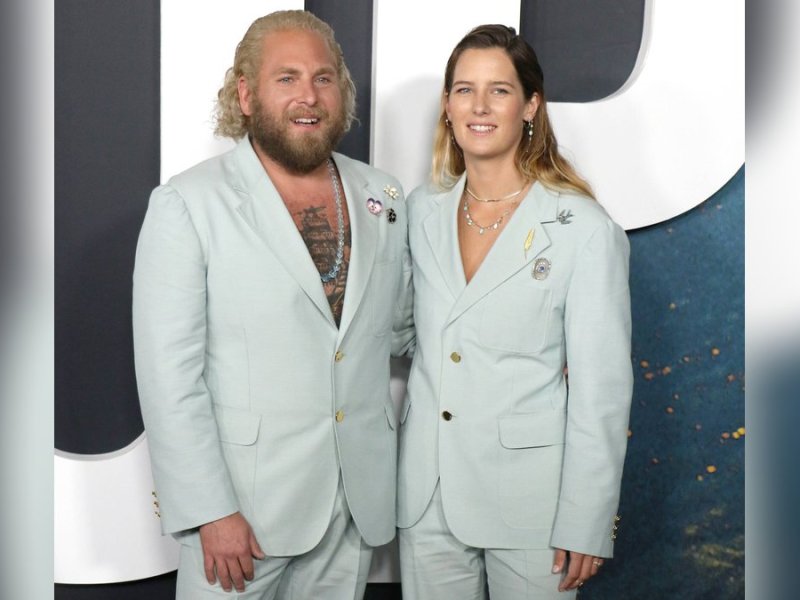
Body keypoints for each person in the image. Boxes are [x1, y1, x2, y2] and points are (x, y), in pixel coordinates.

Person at [132, 10, 413, 599]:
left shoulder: (383, 196)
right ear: (246, 93)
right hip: (242, 519)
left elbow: (402, 329)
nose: (308, 96)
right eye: (286, 78)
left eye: (323, 77)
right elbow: (169, 378)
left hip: (353, 508)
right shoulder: (188, 204)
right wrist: (211, 512)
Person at [397, 24, 633, 599]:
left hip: (536, 507)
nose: (479, 106)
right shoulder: (419, 211)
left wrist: (587, 518)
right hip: (427, 499)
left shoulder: (584, 230)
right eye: (463, 90)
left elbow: (603, 390)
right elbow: (404, 333)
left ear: (531, 105)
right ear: (447, 107)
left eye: (499, 90)